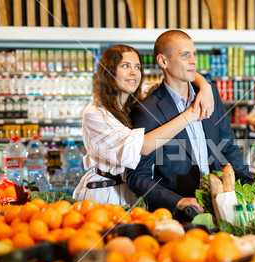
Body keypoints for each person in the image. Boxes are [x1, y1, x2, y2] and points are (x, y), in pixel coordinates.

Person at [127, 30, 253, 221]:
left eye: (194, 54)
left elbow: (227, 147)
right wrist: (177, 201)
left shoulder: (209, 96)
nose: (193, 61)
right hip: (179, 216)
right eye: (185, 55)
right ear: (163, 61)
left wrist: (249, 185)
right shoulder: (147, 110)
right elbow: (137, 176)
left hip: (221, 209)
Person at [73, 44, 214, 206]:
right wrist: (192, 114)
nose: (134, 72)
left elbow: (177, 74)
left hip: (134, 191)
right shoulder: (95, 113)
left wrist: (205, 85)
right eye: (125, 66)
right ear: (109, 71)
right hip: (103, 192)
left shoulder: (139, 99)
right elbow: (143, 146)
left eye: (137, 67)